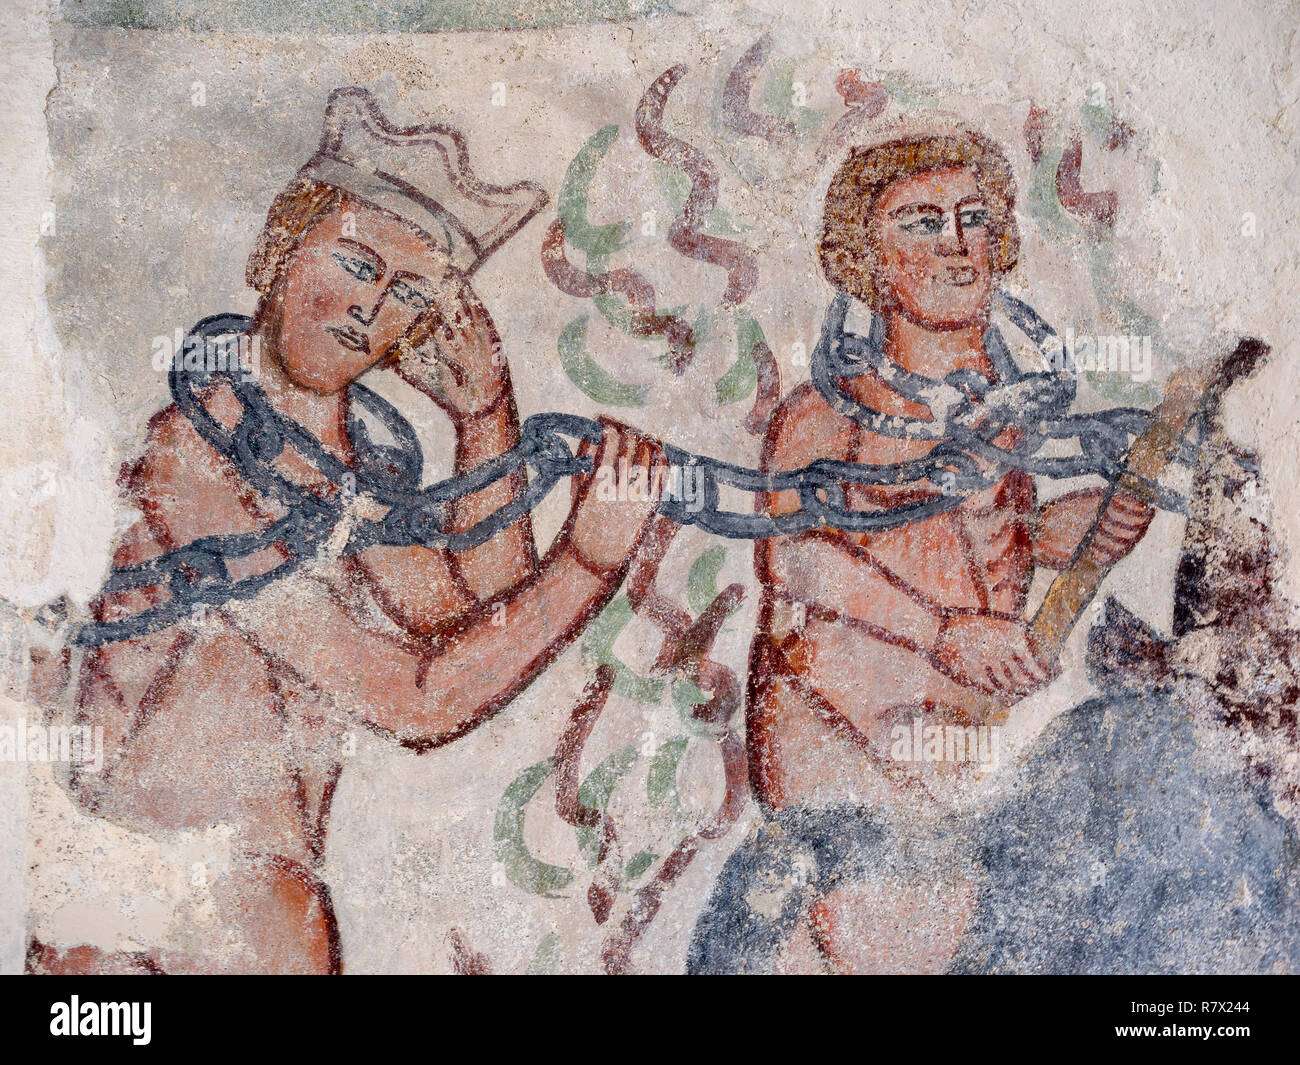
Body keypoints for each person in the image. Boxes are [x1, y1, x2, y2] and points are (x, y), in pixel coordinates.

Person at [27, 87, 662, 974]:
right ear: (275, 249)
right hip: (140, 914)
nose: (370, 310)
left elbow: (476, 606)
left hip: (272, 919)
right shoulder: (197, 452)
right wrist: (592, 557)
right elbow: (418, 696)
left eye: (408, 292)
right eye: (358, 265)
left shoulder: (351, 479)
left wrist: (485, 416)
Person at [690, 118, 1155, 973]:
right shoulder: (824, 416)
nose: (956, 244)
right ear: (869, 258)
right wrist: (945, 634)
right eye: (921, 222)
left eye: (973, 218)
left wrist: (1061, 533)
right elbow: (797, 556)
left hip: (953, 773)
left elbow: (967, 551)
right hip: (846, 769)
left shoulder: (998, 423)